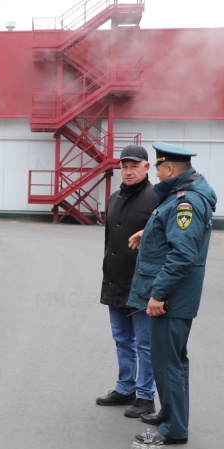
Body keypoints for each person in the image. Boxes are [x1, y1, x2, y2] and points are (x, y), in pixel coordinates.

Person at [129, 142, 217, 445]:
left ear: (169, 169)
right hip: (175, 298)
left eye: (158, 167)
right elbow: (176, 237)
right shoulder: (182, 197)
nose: (156, 172)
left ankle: (174, 429)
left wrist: (158, 294)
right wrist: (149, 232)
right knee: (169, 360)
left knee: (169, 362)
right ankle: (170, 415)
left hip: (172, 300)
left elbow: (182, 254)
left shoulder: (185, 202)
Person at [95, 145, 158, 418]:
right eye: (124, 166)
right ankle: (125, 388)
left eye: (134, 166)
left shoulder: (157, 198)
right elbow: (110, 242)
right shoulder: (114, 198)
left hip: (142, 285)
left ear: (147, 167)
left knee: (145, 343)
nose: (128, 171)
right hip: (116, 280)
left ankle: (146, 396)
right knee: (122, 339)